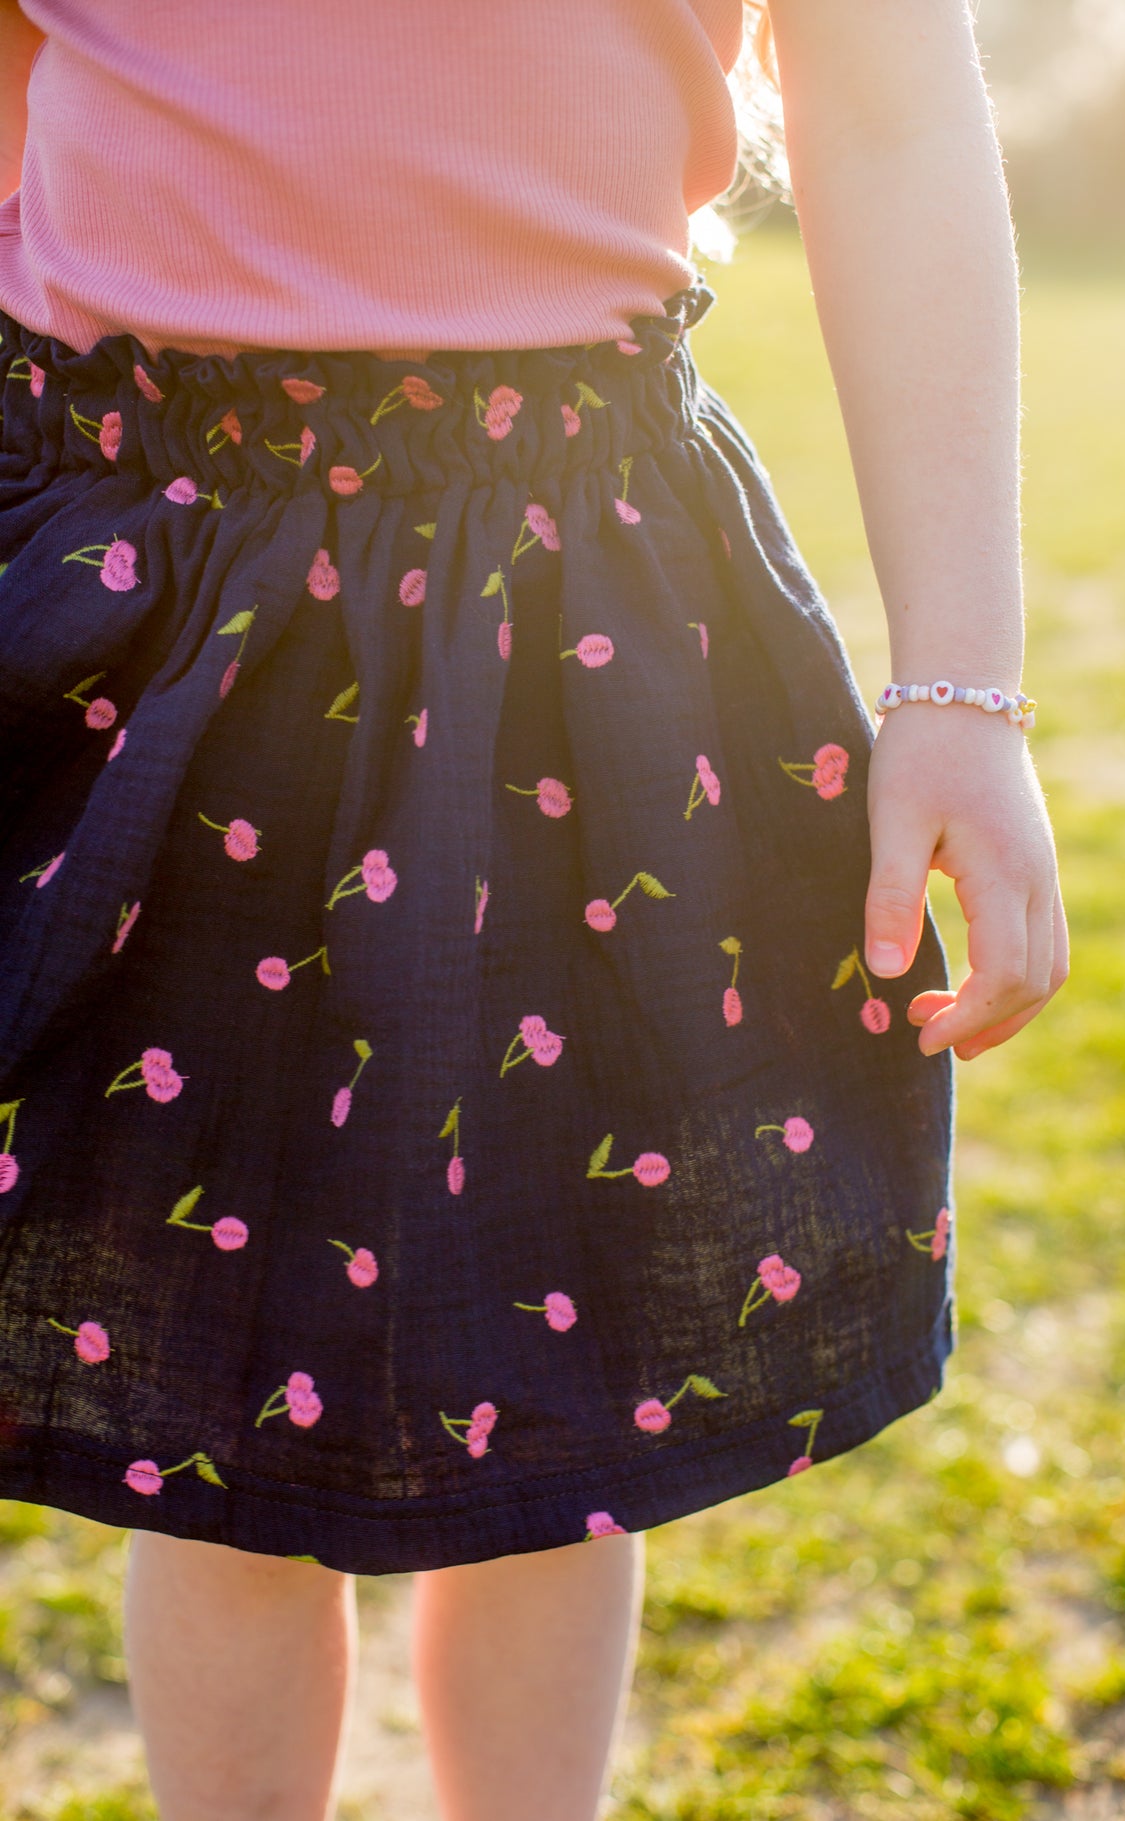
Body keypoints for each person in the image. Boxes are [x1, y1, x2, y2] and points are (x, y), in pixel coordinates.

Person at [0, 2, 1067, 1816]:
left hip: (572, 601)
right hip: (147, 567)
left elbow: (887, 120)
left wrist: (958, 688)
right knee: (201, 1411)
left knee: (559, 1380)